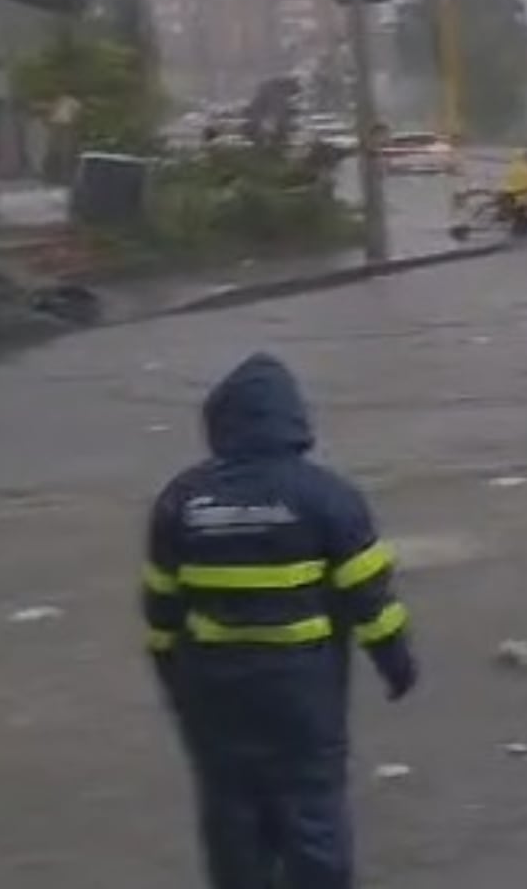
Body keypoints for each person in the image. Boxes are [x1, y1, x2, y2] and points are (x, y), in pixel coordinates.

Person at [142, 353, 417, 889]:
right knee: (312, 810)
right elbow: (370, 600)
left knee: (232, 818)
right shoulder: (327, 497)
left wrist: (176, 682)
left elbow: (161, 610)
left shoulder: (180, 499)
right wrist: (397, 664)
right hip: (299, 692)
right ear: (294, 420)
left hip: (214, 695)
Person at [499, 149, 527, 234]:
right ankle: (521, 229)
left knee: (518, 212)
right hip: (520, 197)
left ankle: (517, 225)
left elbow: (507, 181)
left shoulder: (514, 167)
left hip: (508, 193)